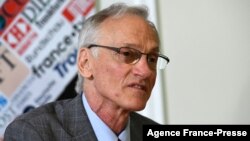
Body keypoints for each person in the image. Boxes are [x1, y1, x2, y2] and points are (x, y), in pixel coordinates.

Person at [4, 3, 169, 141]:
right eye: (127, 54)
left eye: (152, 59)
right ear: (85, 63)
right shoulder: (33, 132)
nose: (145, 71)